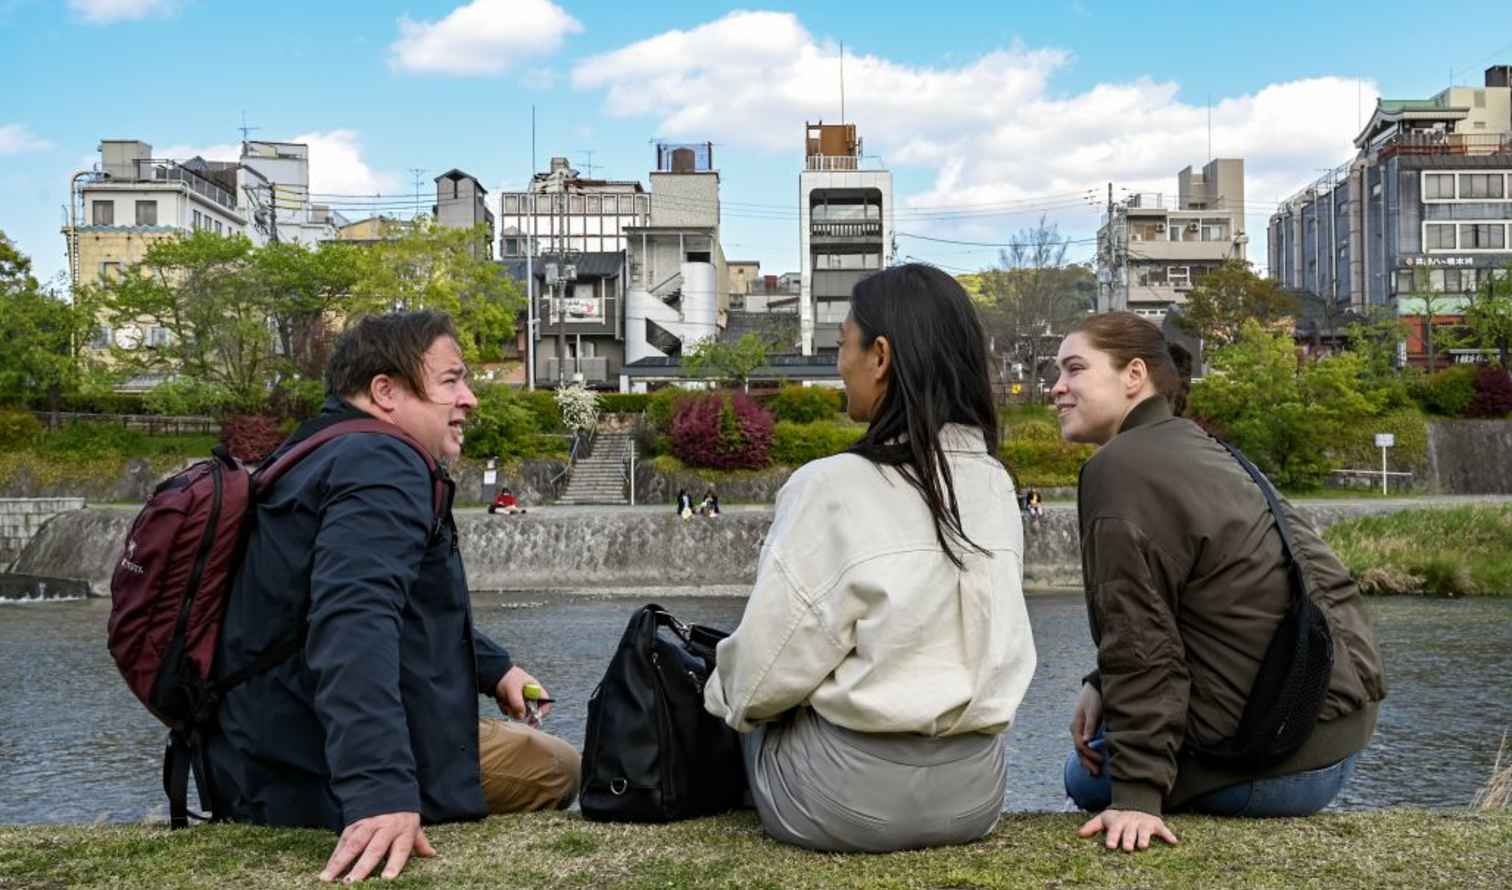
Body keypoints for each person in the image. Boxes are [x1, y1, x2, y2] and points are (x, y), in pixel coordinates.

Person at [208, 311, 580, 883]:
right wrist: (378, 791)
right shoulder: (385, 464)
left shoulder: (317, 446)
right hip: (307, 762)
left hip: (253, 747)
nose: (471, 399)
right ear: (386, 391)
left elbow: (365, 601)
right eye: (451, 380)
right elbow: (352, 620)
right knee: (558, 766)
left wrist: (494, 668)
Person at [705, 263, 1036, 853]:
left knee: (738, 700)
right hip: (975, 793)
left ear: (879, 355)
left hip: (845, 799)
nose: (838, 366)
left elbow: (761, 677)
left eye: (842, 347)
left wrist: (715, 691)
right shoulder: (994, 482)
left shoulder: (832, 484)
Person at [1051, 311, 1386, 853]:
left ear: (1134, 375)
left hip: (1279, 767)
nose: (1056, 388)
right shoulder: (1199, 445)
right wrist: (1099, 683)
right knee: (1101, 744)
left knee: (1083, 772)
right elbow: (1200, 602)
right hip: (1333, 739)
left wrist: (1136, 796)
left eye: (1074, 369)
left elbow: (1140, 640)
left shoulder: (1121, 467)